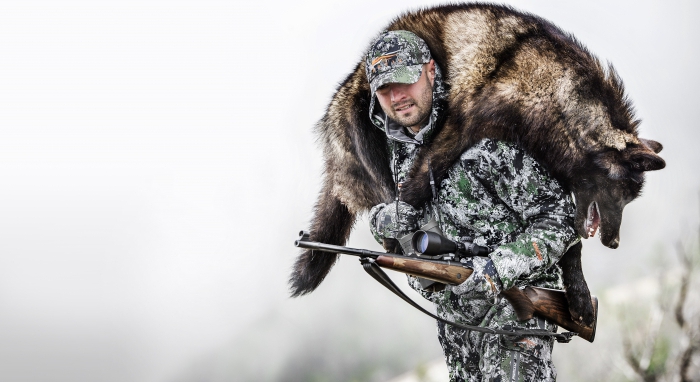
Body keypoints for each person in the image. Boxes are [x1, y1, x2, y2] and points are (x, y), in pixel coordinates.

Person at [365, 30, 579, 382]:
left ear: (430, 71)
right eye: (385, 89)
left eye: (405, 81)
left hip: (517, 308)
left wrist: (496, 270)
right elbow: (398, 228)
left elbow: (560, 218)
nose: (397, 96)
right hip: (456, 324)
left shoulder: (485, 129)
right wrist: (383, 222)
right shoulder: (394, 147)